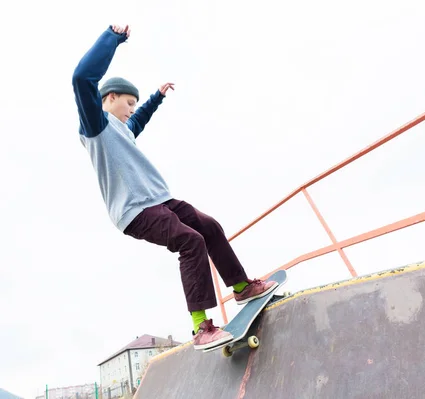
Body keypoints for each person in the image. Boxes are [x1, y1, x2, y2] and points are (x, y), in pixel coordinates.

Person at [72, 24, 277, 350]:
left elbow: (139, 121)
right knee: (190, 241)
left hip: (160, 200)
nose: (131, 112)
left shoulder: (124, 128)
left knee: (209, 226)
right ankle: (201, 326)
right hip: (134, 211)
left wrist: (156, 98)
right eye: (128, 104)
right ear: (109, 98)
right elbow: (82, 78)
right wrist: (112, 38)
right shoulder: (95, 124)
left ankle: (240, 286)